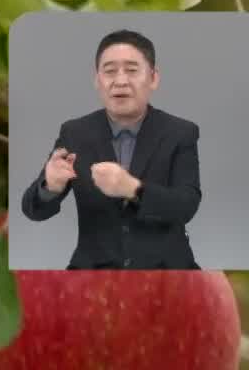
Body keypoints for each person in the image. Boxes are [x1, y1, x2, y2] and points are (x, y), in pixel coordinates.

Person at [20, 29, 202, 269]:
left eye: (131, 70)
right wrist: (50, 187)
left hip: (167, 275)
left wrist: (134, 189)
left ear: (154, 77)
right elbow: (33, 210)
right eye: (110, 71)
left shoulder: (180, 132)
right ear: (97, 80)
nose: (120, 81)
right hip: (92, 276)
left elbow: (186, 205)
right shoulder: (75, 133)